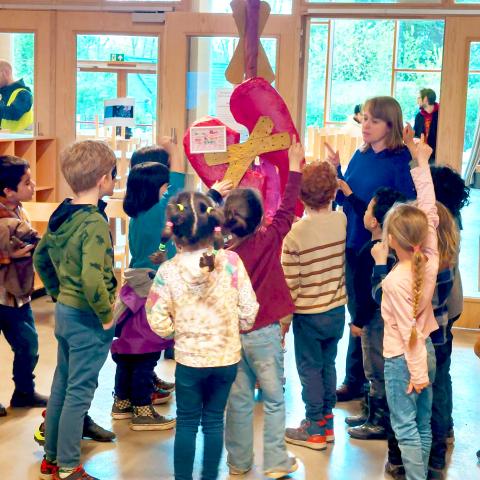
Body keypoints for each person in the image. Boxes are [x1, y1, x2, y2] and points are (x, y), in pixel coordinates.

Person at [146, 191, 258, 480]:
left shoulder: (167, 271)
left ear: (174, 233)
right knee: (212, 422)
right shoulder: (231, 262)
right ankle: (210, 476)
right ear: (215, 227)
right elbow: (249, 308)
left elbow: (156, 316)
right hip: (226, 359)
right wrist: (239, 326)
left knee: (186, 423)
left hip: (189, 361)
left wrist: (174, 333)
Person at [34, 140, 118, 480]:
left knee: (62, 386)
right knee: (79, 394)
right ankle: (68, 467)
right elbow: (91, 277)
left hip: (66, 312)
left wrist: (57, 294)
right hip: (87, 317)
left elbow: (41, 258)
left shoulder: (61, 213)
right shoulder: (94, 221)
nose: (114, 181)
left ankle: (51, 458)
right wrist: (107, 314)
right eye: (113, 175)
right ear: (101, 179)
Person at [223, 138, 304, 479]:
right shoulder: (268, 240)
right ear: (259, 221)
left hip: (232, 336)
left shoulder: (219, 254)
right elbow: (287, 209)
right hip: (266, 334)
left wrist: (216, 195)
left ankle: (239, 464)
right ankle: (274, 462)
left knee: (237, 402)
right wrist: (295, 167)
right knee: (273, 398)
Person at [327, 96, 416, 402]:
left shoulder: (401, 162)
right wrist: (336, 170)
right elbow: (344, 200)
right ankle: (356, 380)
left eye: (374, 120)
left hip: (383, 252)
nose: (365, 125)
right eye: (364, 118)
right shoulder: (361, 155)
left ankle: (369, 384)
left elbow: (400, 211)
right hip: (353, 244)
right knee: (358, 312)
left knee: (372, 316)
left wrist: (350, 193)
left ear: (390, 126)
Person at [371, 134, 438, 480]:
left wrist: (418, 374)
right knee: (422, 424)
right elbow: (428, 211)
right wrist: (421, 164)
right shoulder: (429, 257)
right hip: (425, 350)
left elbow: (408, 331)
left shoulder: (395, 281)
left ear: (392, 241)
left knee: (406, 428)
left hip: (405, 360)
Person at [281, 161, 347, 451]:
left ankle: (314, 427)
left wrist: (283, 323)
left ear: (300, 196)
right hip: (336, 310)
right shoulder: (341, 222)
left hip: (308, 315)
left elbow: (290, 285)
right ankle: (328, 421)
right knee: (329, 364)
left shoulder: (294, 235)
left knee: (309, 369)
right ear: (333, 192)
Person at [428, 165, 470, 479]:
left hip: (440, 307)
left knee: (438, 373)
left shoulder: (439, 222)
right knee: (443, 368)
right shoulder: (452, 218)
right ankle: (447, 428)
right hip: (452, 303)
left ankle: (438, 444)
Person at [0, 155, 48, 416]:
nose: (33, 185)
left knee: (28, 344)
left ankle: (24, 393)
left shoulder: (20, 211)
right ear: (8, 190)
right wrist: (8, 256)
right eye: (27, 182)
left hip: (16, 294)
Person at [0, 59, 33, 133]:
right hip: (7, 141)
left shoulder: (24, 93)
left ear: (6, 73)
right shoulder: (3, 95)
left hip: (23, 142)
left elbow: (14, 113)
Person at [414, 88, 439, 163]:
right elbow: (416, 135)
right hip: (421, 155)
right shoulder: (419, 116)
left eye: (419, 97)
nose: (417, 100)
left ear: (425, 99)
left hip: (436, 155)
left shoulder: (441, 115)